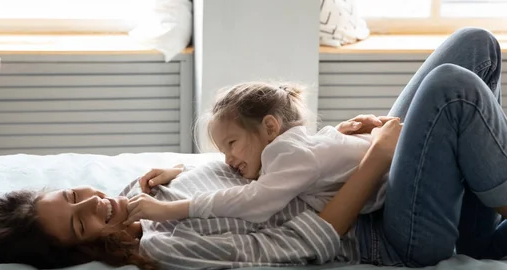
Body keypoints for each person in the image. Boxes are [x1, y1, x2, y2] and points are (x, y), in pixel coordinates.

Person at [0, 27, 507, 270]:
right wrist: (378, 156)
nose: (94, 204)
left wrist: (347, 138)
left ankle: (482, 226)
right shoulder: (165, 250)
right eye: (81, 225)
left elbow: (256, 167)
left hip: (368, 182)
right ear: (82, 252)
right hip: (389, 230)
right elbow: (307, 241)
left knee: (473, 44)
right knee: (452, 89)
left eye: (74, 194)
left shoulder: (141, 191)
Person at [123, 81, 394, 225]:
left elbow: (254, 202)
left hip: (400, 189)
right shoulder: (291, 149)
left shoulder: (287, 154)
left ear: (269, 127)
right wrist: (183, 172)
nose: (227, 160)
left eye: (231, 144)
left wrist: (170, 210)